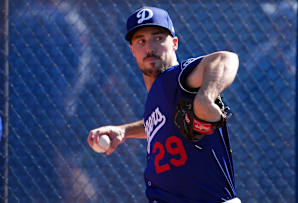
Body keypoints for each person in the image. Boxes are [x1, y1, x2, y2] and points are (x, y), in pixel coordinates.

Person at [88, 6, 240, 203]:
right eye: (141, 41)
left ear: (174, 43)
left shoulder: (175, 78)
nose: (150, 47)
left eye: (158, 38)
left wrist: (205, 97)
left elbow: (225, 59)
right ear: (132, 50)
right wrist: (124, 131)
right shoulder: (158, 96)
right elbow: (164, 123)